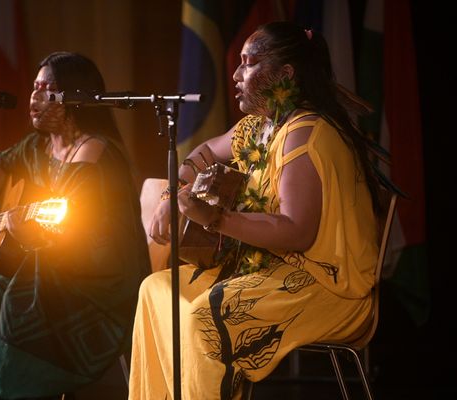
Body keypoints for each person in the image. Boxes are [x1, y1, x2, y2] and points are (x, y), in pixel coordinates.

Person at [128, 21, 383, 399]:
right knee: (157, 289)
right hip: (267, 269)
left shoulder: (305, 132)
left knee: (204, 324)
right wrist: (172, 196)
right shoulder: (258, 127)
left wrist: (215, 218)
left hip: (324, 285)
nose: (235, 74)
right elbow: (204, 153)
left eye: (248, 63)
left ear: (285, 74)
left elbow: (297, 231)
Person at [0, 52, 151, 400]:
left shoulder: (94, 153)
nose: (35, 98)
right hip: (56, 269)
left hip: (100, 283)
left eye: (48, 89)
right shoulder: (40, 146)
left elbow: (75, 231)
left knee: (16, 301)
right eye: (34, 88)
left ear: (75, 97)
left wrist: (30, 235)